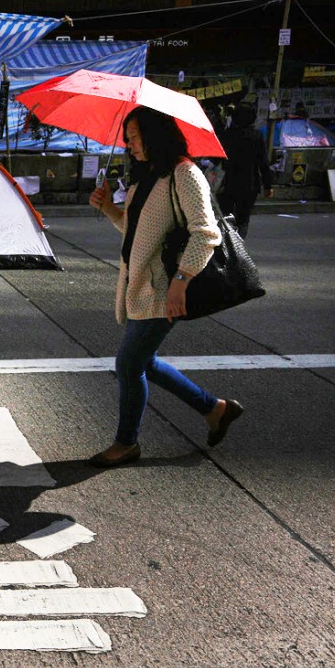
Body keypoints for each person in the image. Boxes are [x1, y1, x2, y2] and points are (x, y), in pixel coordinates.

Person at [87, 106, 245, 467]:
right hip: (138, 287)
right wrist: (110, 209)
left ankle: (126, 443)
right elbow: (138, 234)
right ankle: (215, 409)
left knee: (128, 365)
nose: (129, 146)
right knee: (147, 362)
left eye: (134, 138)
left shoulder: (185, 174)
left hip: (163, 289)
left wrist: (180, 282)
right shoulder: (147, 177)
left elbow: (206, 234)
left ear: (155, 134)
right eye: (127, 139)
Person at [217, 102, 273, 239]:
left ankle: (227, 243)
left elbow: (218, 158)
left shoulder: (228, 135)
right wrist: (268, 185)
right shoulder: (257, 136)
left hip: (228, 183)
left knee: (227, 216)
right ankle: (239, 244)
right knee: (243, 219)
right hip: (249, 184)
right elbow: (263, 163)